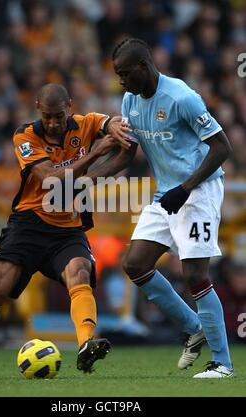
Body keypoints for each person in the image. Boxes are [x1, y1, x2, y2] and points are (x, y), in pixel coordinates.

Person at [0, 83, 130, 379]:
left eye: (59, 116)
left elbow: (115, 132)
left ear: (70, 106)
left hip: (67, 229)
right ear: (37, 109)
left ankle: (86, 344)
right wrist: (95, 154)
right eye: (48, 117)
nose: (54, 123)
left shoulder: (88, 124)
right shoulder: (25, 135)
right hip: (28, 225)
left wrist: (119, 129)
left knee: (80, 272)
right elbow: (51, 180)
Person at [88, 38, 234, 378]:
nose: (121, 82)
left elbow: (221, 147)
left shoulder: (182, 97)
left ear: (143, 67)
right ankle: (194, 327)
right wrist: (87, 179)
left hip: (199, 190)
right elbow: (127, 153)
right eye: (118, 76)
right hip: (167, 194)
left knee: (195, 275)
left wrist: (185, 188)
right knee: (135, 264)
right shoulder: (130, 101)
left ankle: (223, 364)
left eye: (124, 74)